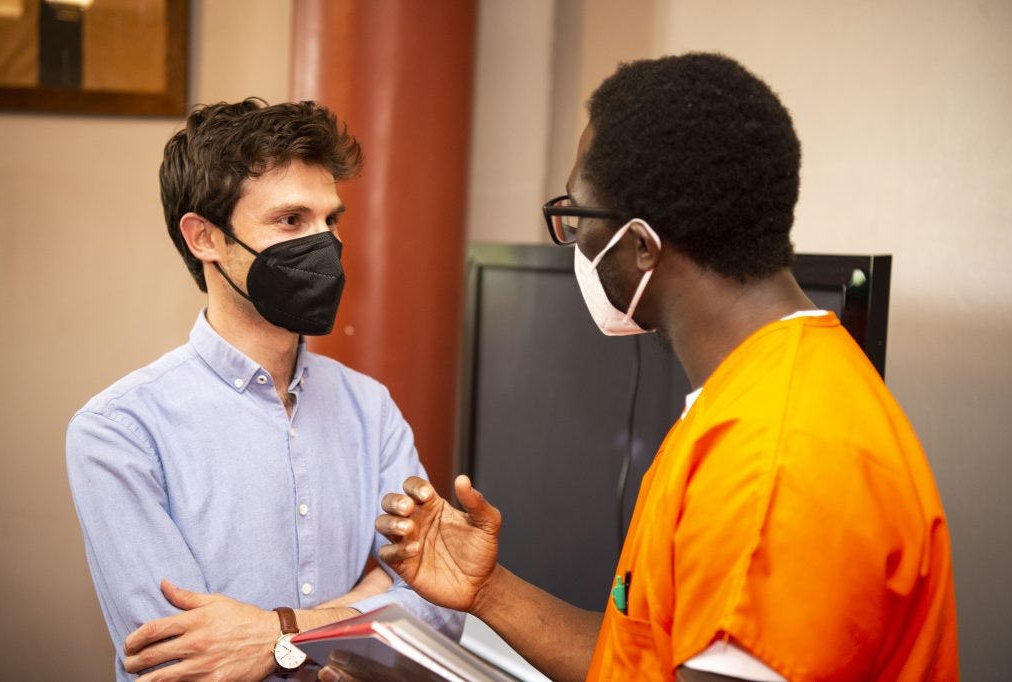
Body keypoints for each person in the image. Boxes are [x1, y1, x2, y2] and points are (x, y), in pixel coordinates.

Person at [363, 54, 959, 681]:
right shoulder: (755, 394)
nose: (574, 243)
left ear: (642, 247)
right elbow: (647, 661)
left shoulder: (773, 458)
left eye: (578, 216)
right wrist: (487, 592)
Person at [66, 98, 461, 681]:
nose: (325, 245)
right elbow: (184, 658)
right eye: (290, 221)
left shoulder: (368, 408)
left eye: (331, 220)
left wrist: (274, 632)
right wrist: (366, 598)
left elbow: (437, 604)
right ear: (205, 238)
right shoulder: (120, 431)